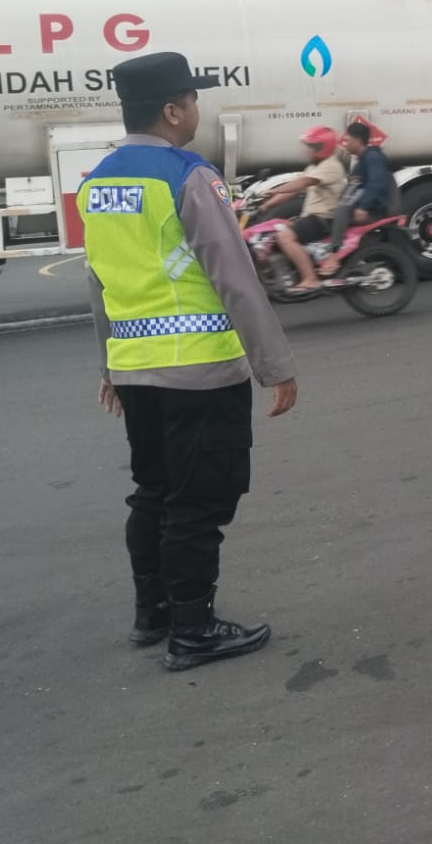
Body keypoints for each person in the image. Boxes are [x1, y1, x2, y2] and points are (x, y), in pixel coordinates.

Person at [79, 52, 298, 672]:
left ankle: (154, 614)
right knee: (198, 502)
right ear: (173, 110)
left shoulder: (97, 182)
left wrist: (110, 367)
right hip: (200, 372)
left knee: (153, 491)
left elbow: (97, 282)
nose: (199, 109)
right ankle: (195, 630)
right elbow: (235, 277)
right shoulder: (188, 175)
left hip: (135, 369)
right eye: (194, 99)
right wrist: (276, 365)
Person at [259, 125, 347, 295]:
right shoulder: (314, 167)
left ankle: (310, 279)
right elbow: (292, 191)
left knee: (285, 236)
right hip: (312, 217)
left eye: (310, 147)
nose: (306, 151)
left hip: (323, 219)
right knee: (271, 230)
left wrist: (274, 190)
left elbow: (303, 183)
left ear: (321, 148)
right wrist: (266, 205)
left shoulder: (331, 166)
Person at [318, 121, 397, 279]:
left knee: (342, 210)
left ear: (358, 140)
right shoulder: (360, 162)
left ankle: (334, 255)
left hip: (375, 210)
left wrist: (363, 207)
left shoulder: (373, 157)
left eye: (347, 140)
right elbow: (352, 189)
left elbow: (376, 184)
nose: (344, 144)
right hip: (363, 207)